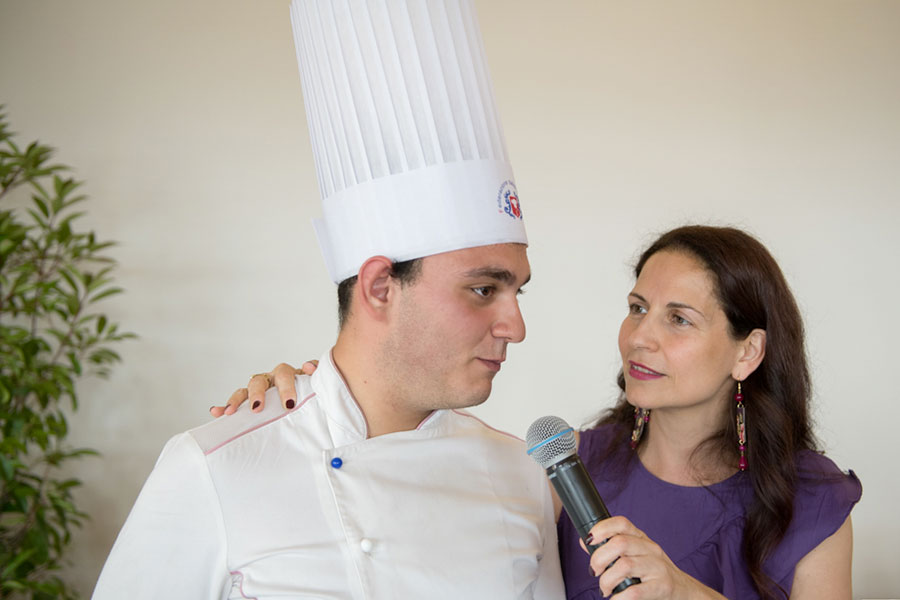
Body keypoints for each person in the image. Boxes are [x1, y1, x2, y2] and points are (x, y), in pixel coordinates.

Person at [93, 0, 565, 597]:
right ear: (379, 288)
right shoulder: (217, 466)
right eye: (482, 289)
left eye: (516, 291)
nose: (515, 326)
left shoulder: (521, 474)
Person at [227, 225, 861, 599]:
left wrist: (685, 593)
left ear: (747, 350)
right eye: (637, 308)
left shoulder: (810, 502)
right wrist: (317, 395)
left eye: (680, 320)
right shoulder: (566, 472)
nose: (641, 337)